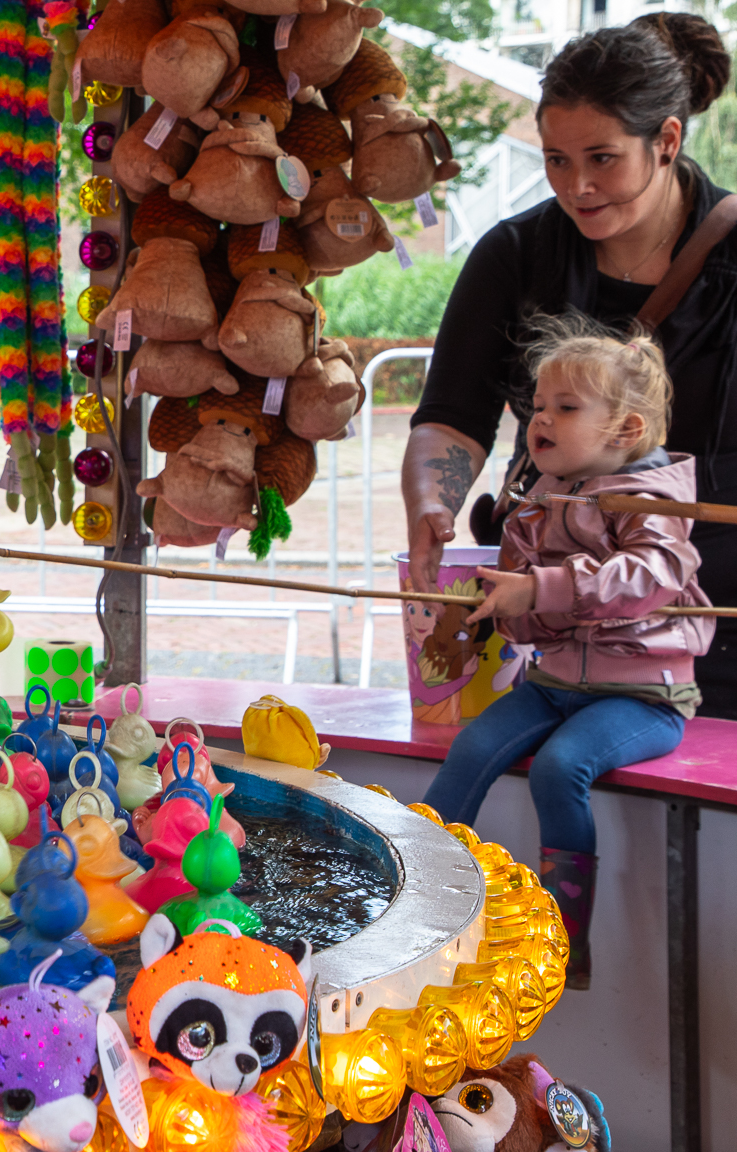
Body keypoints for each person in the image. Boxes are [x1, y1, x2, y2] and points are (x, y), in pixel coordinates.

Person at [401, 12, 737, 718]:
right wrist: (434, 499)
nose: (576, 185)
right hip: (555, 632)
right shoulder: (515, 254)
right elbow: (454, 415)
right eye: (557, 159)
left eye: (602, 158)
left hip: (712, 620)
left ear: (667, 140)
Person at [420, 317, 711, 988]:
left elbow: (645, 579)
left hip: (643, 694)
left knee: (561, 767)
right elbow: (529, 603)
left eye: (566, 407)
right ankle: (417, 891)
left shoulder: (653, 501)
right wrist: (495, 609)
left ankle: (562, 941)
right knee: (470, 748)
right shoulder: (541, 494)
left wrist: (540, 588)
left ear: (626, 431)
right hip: (554, 683)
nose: (540, 419)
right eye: (539, 407)